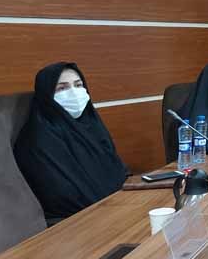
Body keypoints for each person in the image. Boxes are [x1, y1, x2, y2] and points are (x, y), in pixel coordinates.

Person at [13, 62, 128, 223]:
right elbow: (63, 195)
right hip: (76, 222)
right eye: (62, 88)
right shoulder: (38, 139)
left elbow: (119, 172)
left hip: (117, 208)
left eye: (78, 85)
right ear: (46, 95)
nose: (74, 92)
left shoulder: (91, 125)